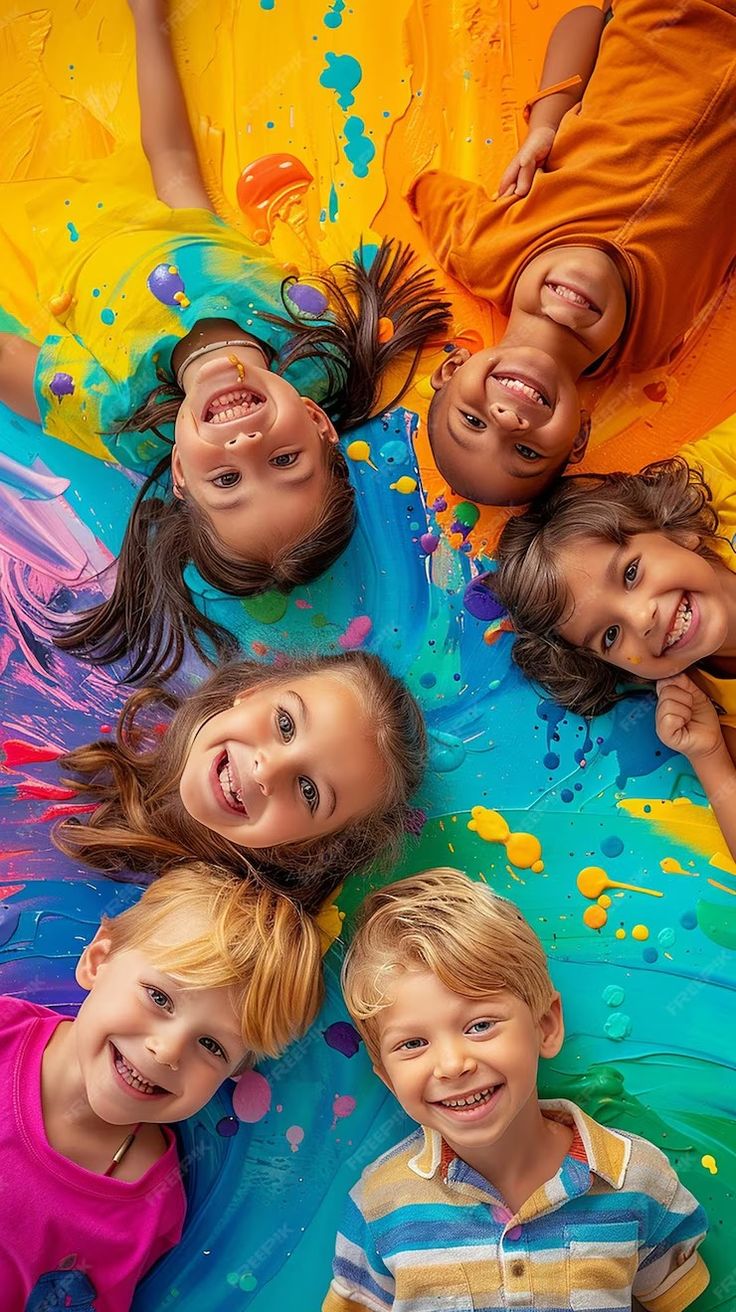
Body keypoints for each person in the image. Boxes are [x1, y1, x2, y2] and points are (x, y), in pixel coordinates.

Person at [0, 0, 451, 682]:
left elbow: (10, 363)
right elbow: (175, 165)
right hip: (166, 198)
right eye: (286, 461)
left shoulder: (120, 413)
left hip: (58, 249)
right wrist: (148, 19)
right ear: (318, 420)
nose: (246, 447)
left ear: (180, 471)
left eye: (227, 479)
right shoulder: (311, 342)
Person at [324, 868, 709, 1312]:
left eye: (480, 1025)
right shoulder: (377, 1205)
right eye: (413, 1044)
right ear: (387, 1077)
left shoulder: (638, 1179)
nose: (452, 1065)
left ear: (545, 1026)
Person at [408, 0, 736, 506]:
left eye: (471, 420)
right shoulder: (657, 341)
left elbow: (583, 19)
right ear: (578, 436)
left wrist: (546, 125)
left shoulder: (485, 248)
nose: (506, 420)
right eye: (526, 452)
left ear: (452, 370)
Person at [0, 861, 323, 1311]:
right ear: (98, 961)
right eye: (159, 997)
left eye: (211, 1045)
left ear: (233, 1071)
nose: (169, 1050)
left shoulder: (151, 1209)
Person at [493, 417, 736, 862]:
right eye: (609, 635)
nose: (641, 618)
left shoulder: (718, 476)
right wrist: (711, 756)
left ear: (676, 529)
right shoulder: (715, 710)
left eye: (630, 573)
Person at [53, 650, 427, 912]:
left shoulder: (230, 933)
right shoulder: (79, 700)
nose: (266, 771)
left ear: (308, 845)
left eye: (309, 791)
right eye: (285, 724)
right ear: (251, 692)